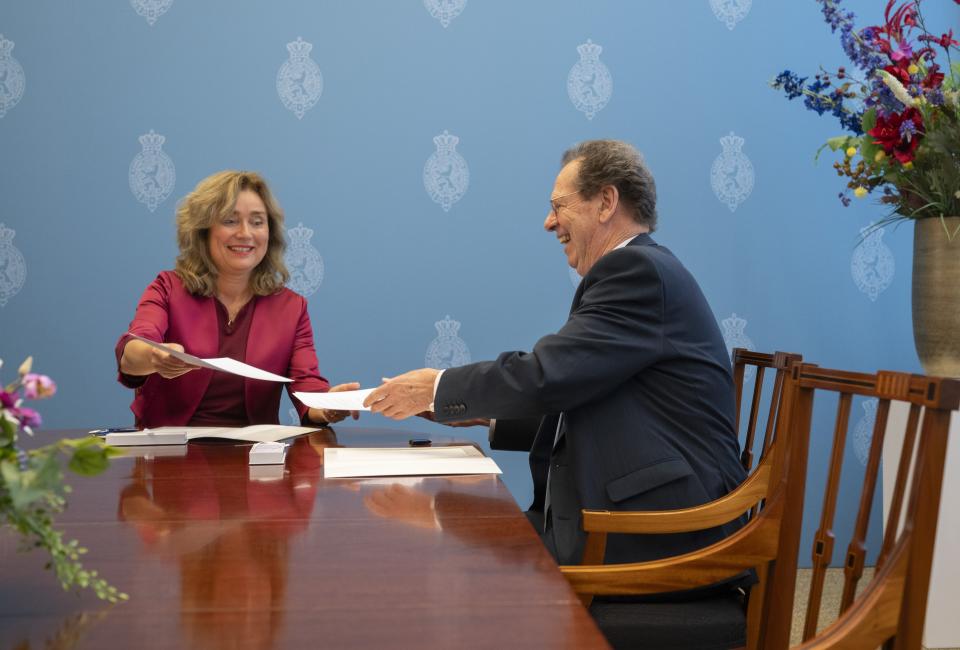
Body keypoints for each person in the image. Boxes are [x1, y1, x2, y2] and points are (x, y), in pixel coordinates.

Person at [365, 140, 746, 567]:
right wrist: (484, 414)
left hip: (662, 531)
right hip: (637, 514)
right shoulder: (640, 269)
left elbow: (549, 375)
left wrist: (437, 387)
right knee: (455, 525)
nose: (549, 223)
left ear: (605, 202)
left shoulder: (636, 272)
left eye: (558, 205)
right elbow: (589, 395)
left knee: (449, 552)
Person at [116, 170, 354, 428]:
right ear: (203, 230)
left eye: (257, 222)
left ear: (269, 233)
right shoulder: (167, 288)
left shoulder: (291, 307)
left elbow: (307, 385)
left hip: (256, 456)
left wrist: (330, 406)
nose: (245, 233)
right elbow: (133, 350)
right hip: (169, 452)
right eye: (230, 220)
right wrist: (155, 357)